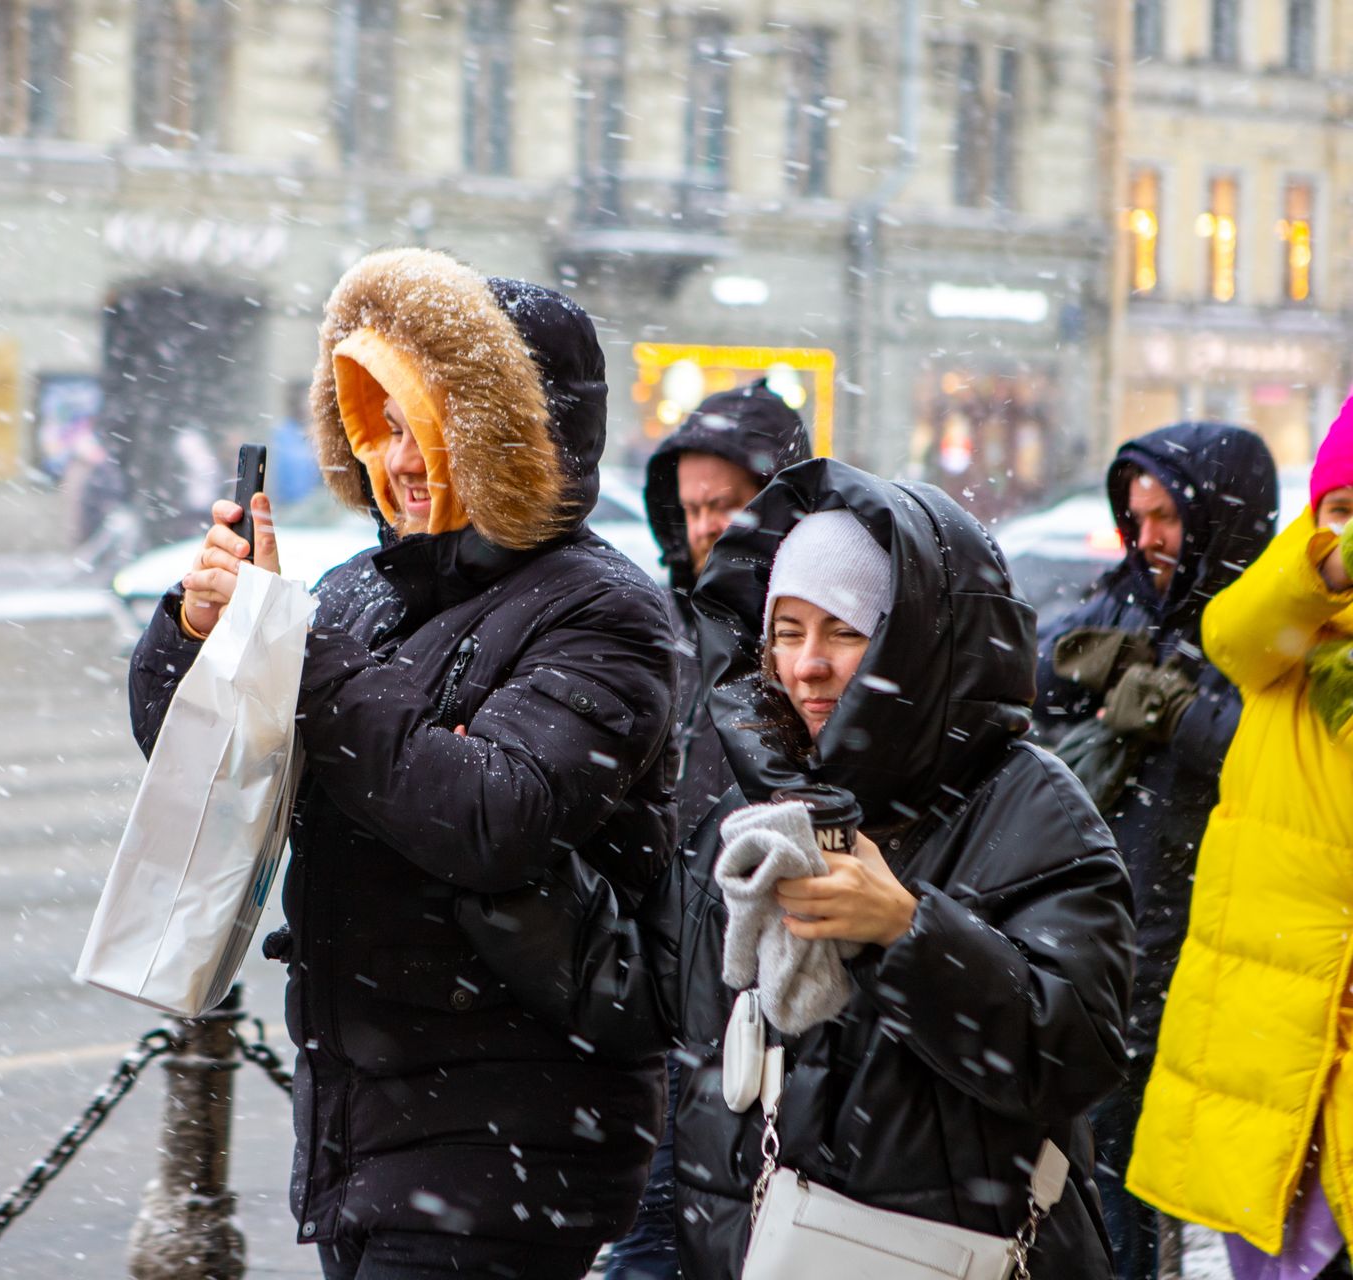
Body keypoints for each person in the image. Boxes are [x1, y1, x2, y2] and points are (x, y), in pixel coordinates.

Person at [127, 248, 681, 1280]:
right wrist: (203, 631)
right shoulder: (360, 590)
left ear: (515, 435)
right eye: (376, 425)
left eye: (428, 423)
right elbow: (207, 754)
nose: (401, 458)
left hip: (509, 1137)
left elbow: (488, 818)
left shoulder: (605, 609)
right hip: (365, 1124)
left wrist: (309, 654)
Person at [463, 458, 1136, 1278]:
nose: (806, 665)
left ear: (916, 643)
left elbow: (1076, 1050)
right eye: (786, 632)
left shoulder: (1029, 807)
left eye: (846, 631)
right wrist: (491, 838)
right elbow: (640, 988)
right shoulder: (764, 804)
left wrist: (907, 931)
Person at [1030, 421, 1278, 1280]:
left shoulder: (1261, 623)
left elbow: (1277, 757)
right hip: (1112, 927)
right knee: (1106, 1164)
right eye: (1136, 518)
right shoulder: (1131, 596)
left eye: (1167, 516)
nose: (1150, 539)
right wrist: (1080, 670)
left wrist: (1180, 713)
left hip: (1217, 936)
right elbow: (1031, 674)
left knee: (1194, 1171)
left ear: (1219, 515)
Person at [1127, 407, 1353, 1280]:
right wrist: (1327, 560)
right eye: (1336, 509)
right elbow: (1236, 630)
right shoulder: (1294, 637)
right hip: (1268, 1066)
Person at [606, 379, 811, 1280]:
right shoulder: (653, 629)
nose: (704, 526)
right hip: (658, 1010)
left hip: (770, 1016)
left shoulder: (815, 649)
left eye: (725, 504)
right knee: (652, 1243)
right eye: (690, 507)